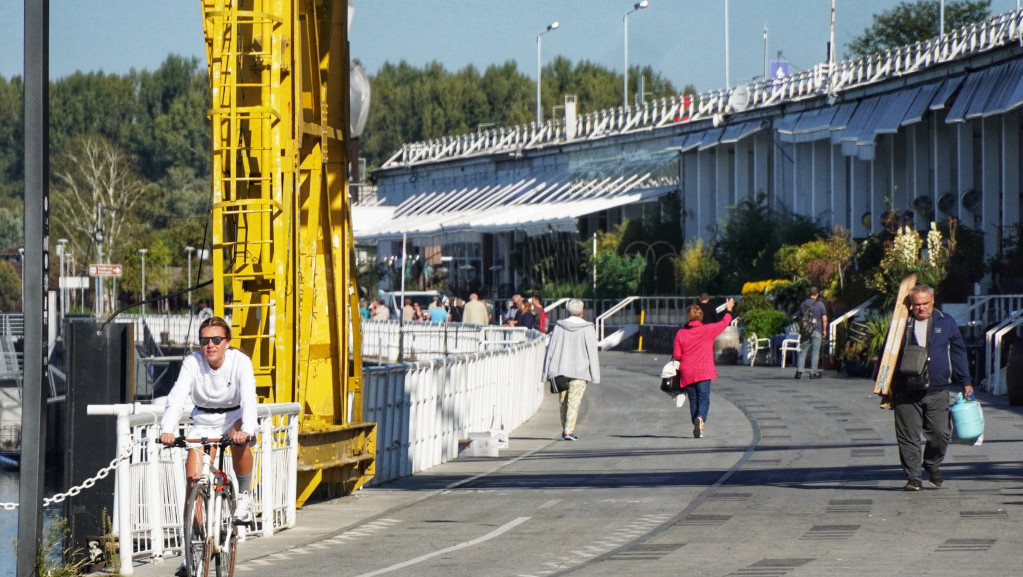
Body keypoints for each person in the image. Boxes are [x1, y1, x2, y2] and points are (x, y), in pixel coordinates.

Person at [160, 316, 258, 576]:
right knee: (193, 482)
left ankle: (245, 496)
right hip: (203, 420)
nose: (210, 345)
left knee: (240, 441)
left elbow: (249, 398)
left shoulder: (240, 362)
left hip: (233, 418)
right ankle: (192, 552)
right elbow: (177, 395)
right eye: (205, 340)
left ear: (227, 342)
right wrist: (167, 430)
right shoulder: (193, 361)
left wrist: (247, 429)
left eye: (216, 339)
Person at [893, 285, 974, 491]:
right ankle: (913, 477)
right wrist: (883, 384)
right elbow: (887, 355)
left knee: (940, 434)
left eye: (925, 304)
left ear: (933, 301)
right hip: (906, 390)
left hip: (937, 390)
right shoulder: (901, 324)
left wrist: (965, 381)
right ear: (911, 305)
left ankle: (932, 464)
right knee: (907, 437)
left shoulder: (946, 322)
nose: (921, 308)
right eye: (917, 304)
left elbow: (958, 352)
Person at [673, 297, 735, 438]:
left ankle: (697, 422)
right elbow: (724, 323)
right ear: (701, 316)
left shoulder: (681, 333)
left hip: (687, 372)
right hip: (704, 371)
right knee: (704, 398)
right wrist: (729, 309)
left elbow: (677, 354)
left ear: (688, 316)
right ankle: (700, 418)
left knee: (693, 399)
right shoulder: (708, 330)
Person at [542, 299, 600, 441]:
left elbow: (550, 350)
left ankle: (566, 429)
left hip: (560, 369)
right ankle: (568, 431)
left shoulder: (559, 326)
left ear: (568, 310)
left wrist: (545, 373)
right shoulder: (587, 328)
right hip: (580, 371)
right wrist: (595, 375)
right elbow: (592, 352)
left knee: (563, 401)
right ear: (581, 311)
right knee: (574, 402)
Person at [795, 286, 828, 379]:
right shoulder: (820, 304)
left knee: (803, 351)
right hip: (816, 330)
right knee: (815, 351)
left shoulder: (803, 304)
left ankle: (799, 372)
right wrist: (824, 330)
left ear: (809, 294)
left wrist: (802, 328)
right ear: (817, 294)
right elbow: (824, 319)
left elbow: (800, 318)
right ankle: (813, 372)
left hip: (805, 331)